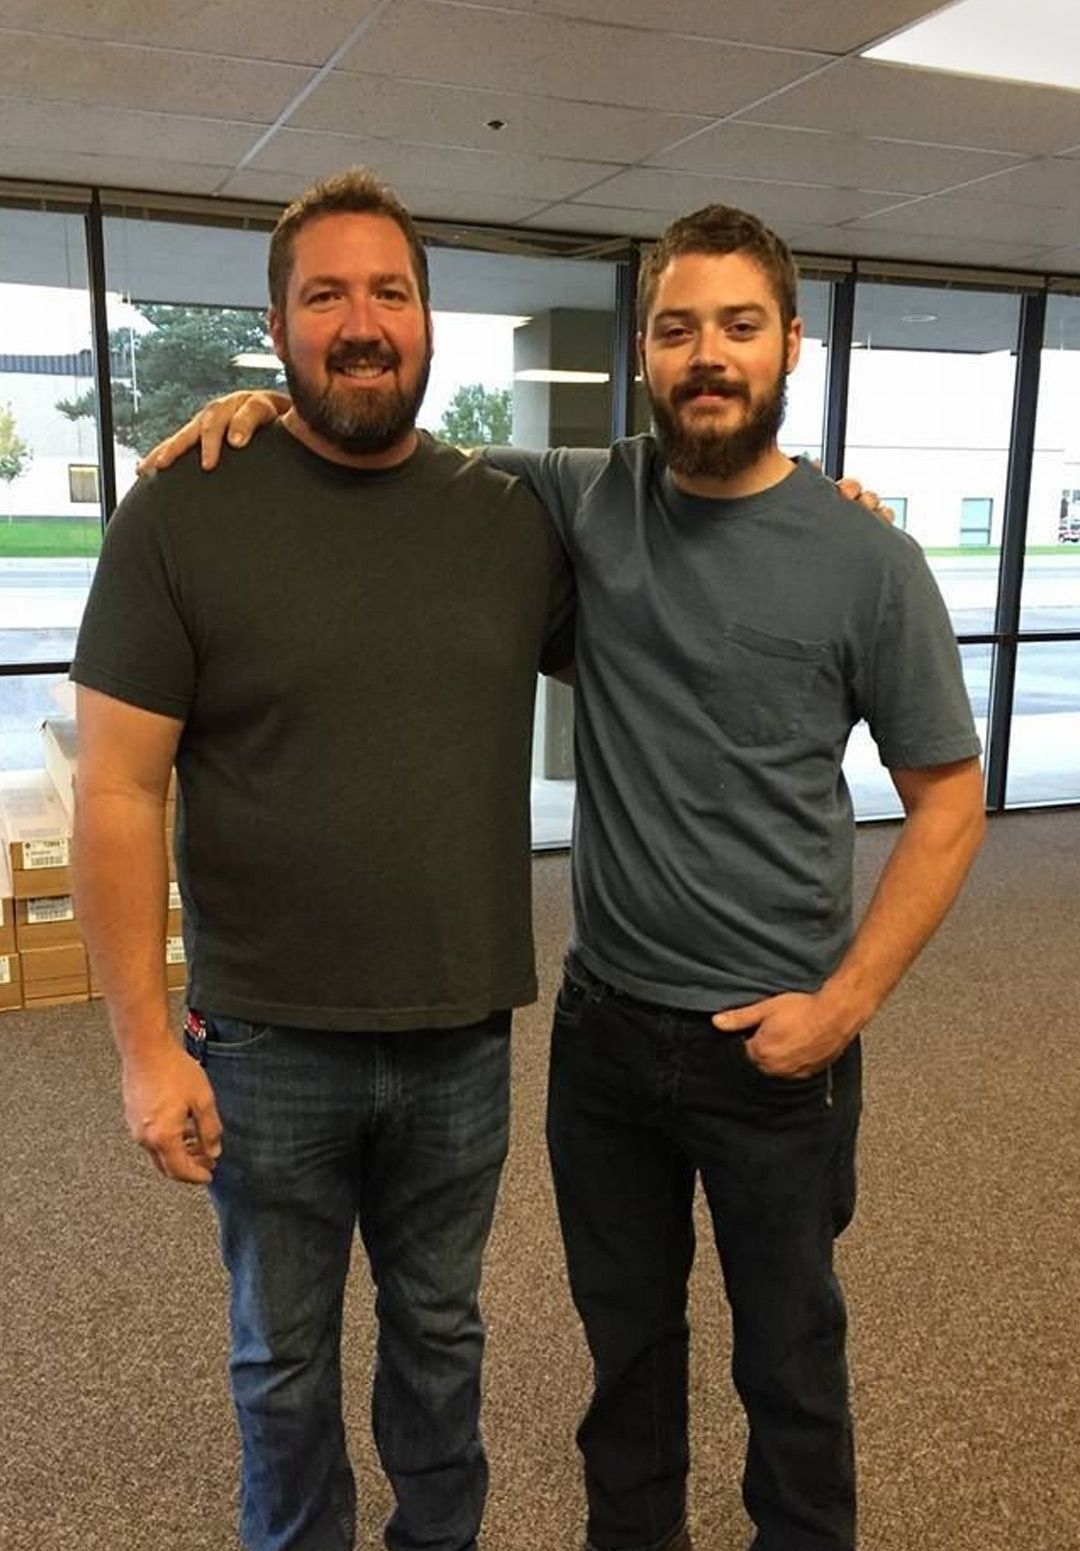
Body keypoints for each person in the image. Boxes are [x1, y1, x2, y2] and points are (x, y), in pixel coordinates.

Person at [137, 196, 986, 1551]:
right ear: (645, 355)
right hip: (605, 1040)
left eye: (739, 327)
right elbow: (389, 447)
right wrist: (248, 414)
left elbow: (949, 802)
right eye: (677, 329)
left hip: (781, 1045)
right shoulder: (578, 499)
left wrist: (846, 1004)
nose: (708, 356)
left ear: (790, 350)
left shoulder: (867, 558)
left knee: (793, 1367)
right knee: (628, 1371)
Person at [72, 168, 575, 1551]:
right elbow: (116, 789)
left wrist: (816, 510)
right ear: (278, 327)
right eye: (327, 295)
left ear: (431, 323)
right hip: (262, 1039)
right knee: (280, 1367)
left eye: (392, 293)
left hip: (461, 1033)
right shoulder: (184, 509)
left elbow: (692, 545)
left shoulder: (509, 517)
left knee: (440, 1347)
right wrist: (140, 1050)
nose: (363, 322)